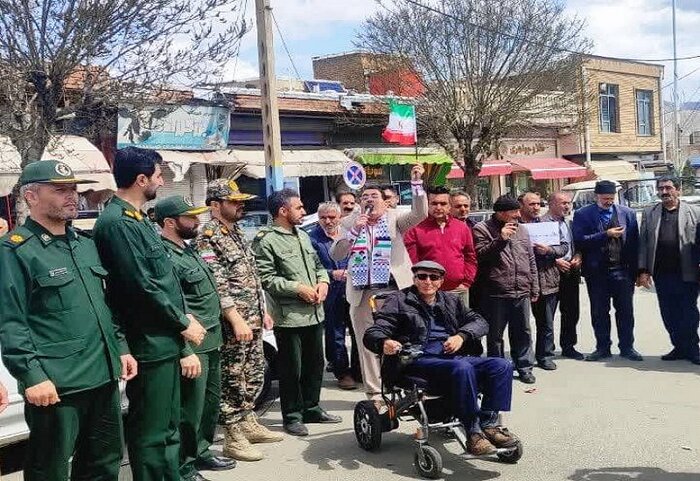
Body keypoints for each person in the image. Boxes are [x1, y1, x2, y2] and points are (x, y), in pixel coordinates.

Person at [0, 160, 137, 481]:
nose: (71, 196)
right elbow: (10, 321)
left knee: (104, 460)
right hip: (58, 382)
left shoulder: (84, 244)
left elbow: (104, 304)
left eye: (73, 189)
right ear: (31, 197)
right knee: (51, 467)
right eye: (59, 190)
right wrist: (32, 375)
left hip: (103, 375)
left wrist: (120, 347)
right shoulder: (16, 251)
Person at [93, 147, 207, 481]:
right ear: (141, 179)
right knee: (153, 432)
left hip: (162, 341)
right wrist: (183, 321)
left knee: (168, 427)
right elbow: (141, 286)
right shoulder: (117, 223)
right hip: (147, 342)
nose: (161, 180)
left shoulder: (138, 219)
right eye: (158, 175)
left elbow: (161, 280)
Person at [364, 261, 518, 455]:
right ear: (414, 278)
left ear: (441, 281)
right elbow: (375, 331)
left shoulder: (450, 300)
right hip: (415, 360)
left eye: (434, 277)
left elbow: (479, 322)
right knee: (462, 368)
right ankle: (473, 432)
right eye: (422, 276)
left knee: (502, 365)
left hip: (452, 357)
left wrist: (461, 336)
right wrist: (384, 341)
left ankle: (488, 424)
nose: (427, 281)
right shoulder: (398, 300)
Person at [196, 179, 283, 460]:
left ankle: (248, 422)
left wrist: (262, 311)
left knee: (253, 374)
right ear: (215, 205)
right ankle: (232, 436)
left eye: (241, 201)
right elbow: (217, 282)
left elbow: (249, 277)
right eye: (234, 202)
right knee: (232, 377)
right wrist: (235, 318)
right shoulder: (208, 234)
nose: (241, 205)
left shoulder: (235, 231)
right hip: (233, 322)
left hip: (253, 317)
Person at [154, 196, 237, 481]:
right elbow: (174, 307)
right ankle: (184, 466)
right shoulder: (164, 256)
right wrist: (184, 348)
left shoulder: (187, 250)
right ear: (169, 222)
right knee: (189, 409)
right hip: (193, 344)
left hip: (212, 338)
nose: (197, 221)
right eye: (190, 217)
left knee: (209, 404)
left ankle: (201, 451)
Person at [331, 165, 428, 401]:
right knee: (368, 344)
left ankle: (400, 386)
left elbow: (420, 213)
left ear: (386, 202)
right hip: (362, 293)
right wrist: (354, 231)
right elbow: (337, 254)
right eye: (364, 197)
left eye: (374, 196)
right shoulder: (348, 223)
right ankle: (375, 393)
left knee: (399, 340)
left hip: (393, 289)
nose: (369, 200)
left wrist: (416, 184)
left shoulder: (395, 219)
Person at [253, 189, 341, 437]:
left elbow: (317, 266)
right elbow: (267, 278)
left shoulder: (302, 236)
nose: (304, 211)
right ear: (283, 211)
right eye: (299, 207)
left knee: (315, 365)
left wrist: (323, 283)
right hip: (289, 317)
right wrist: (298, 288)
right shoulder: (266, 240)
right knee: (293, 369)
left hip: (314, 313)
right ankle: (292, 415)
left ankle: (312, 407)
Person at [572, 180, 642, 362]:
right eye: (604, 198)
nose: (608, 201)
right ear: (596, 197)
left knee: (626, 312)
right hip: (597, 273)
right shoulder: (582, 214)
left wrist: (638, 272)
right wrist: (606, 234)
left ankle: (627, 347)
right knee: (599, 312)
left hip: (623, 272)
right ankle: (602, 347)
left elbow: (635, 244)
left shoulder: (627, 214)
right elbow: (579, 240)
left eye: (611, 198)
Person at [472, 195, 538, 384]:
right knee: (495, 335)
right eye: (514, 212)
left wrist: (534, 286)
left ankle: (524, 366)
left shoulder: (523, 230)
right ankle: (498, 369)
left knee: (523, 331)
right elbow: (481, 255)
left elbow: (530, 258)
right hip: (496, 291)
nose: (518, 215)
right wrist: (501, 239)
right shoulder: (482, 229)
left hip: (521, 290)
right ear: (501, 213)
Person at [638, 177, 700, 365]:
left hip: (688, 272)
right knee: (668, 312)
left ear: (678, 190)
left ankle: (693, 349)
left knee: (688, 312)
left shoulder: (694, 212)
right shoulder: (650, 213)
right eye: (661, 188)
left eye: (668, 188)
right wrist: (643, 270)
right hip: (662, 273)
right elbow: (643, 243)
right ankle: (678, 347)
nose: (664, 192)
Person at [309, 201, 361, 390]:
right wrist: (331, 274)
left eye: (332, 217)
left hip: (354, 288)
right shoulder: (312, 239)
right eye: (323, 217)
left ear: (339, 217)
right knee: (335, 333)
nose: (328, 221)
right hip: (331, 291)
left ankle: (358, 369)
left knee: (357, 330)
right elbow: (312, 265)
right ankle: (342, 372)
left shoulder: (350, 234)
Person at [518, 192, 568, 371]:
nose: (536, 207)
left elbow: (564, 247)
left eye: (538, 204)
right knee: (522, 325)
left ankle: (545, 355)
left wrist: (548, 250)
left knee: (546, 322)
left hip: (547, 279)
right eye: (531, 204)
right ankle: (523, 359)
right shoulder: (515, 226)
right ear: (521, 205)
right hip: (522, 281)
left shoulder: (548, 225)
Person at [404, 185, 477, 305]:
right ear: (427, 205)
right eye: (434, 203)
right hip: (428, 292)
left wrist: (466, 282)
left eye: (443, 204)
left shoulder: (461, 227)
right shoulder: (416, 228)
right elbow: (412, 261)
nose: (438, 207)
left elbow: (470, 256)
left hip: (458, 290)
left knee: (459, 324)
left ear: (449, 206)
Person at [545, 192, 584, 360]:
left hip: (571, 271)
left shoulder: (570, 222)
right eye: (563, 203)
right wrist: (555, 261)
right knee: (548, 314)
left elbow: (577, 244)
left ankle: (568, 345)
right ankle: (546, 349)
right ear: (551, 204)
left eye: (569, 203)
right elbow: (534, 251)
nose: (567, 206)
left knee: (571, 311)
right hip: (550, 272)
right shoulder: (541, 224)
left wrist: (578, 256)